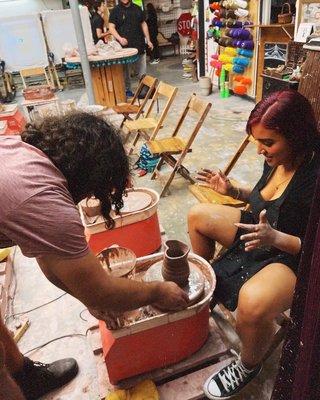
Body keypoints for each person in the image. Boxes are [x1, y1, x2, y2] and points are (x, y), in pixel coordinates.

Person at [0, 112, 189, 400]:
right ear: (91, 175)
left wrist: (87, 296)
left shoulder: (25, 156)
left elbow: (49, 260)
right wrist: (157, 291)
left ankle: (25, 375)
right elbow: (102, 290)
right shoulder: (42, 200)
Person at [187, 90, 320, 399]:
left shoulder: (315, 176)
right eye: (257, 141)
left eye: (268, 142)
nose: (260, 150)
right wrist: (232, 189)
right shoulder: (278, 156)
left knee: (252, 302)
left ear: (298, 136)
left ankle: (248, 364)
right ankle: (203, 295)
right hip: (262, 230)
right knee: (198, 216)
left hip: (295, 253)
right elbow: (267, 198)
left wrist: (276, 238)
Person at [108, 0, 153, 97]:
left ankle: (143, 91)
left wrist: (148, 40)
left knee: (142, 72)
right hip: (124, 49)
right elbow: (111, 27)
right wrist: (119, 39)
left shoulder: (137, 8)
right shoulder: (115, 11)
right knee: (125, 72)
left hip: (139, 45)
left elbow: (143, 24)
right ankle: (127, 91)